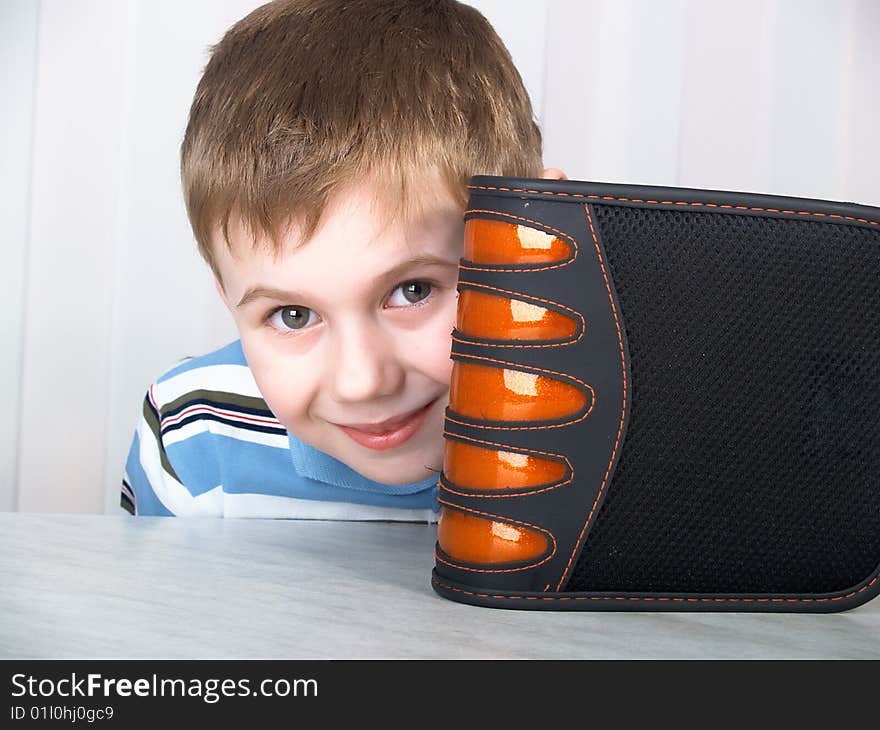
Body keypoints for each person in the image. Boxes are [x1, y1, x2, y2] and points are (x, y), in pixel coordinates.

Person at [121, 0, 566, 519]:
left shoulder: (623, 423)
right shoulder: (192, 432)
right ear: (229, 298)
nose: (362, 382)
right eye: (293, 316)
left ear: (537, 241)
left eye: (412, 291)